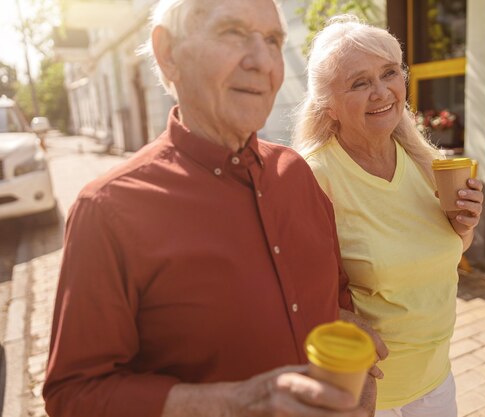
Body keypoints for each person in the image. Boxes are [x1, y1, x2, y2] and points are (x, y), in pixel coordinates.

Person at [43, 2, 374, 416]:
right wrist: (231, 403)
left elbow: (335, 293)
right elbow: (73, 395)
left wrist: (359, 373)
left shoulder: (295, 173)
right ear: (169, 53)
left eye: (273, 40)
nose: (262, 61)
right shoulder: (108, 211)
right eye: (233, 33)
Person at [293, 16, 484, 417]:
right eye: (359, 83)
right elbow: (292, 288)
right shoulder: (314, 177)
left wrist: (463, 228)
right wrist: (337, 317)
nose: (381, 92)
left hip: (436, 380)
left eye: (389, 73)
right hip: (370, 394)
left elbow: (443, 251)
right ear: (328, 103)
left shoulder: (425, 161)